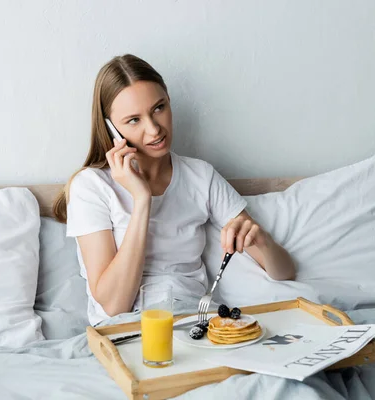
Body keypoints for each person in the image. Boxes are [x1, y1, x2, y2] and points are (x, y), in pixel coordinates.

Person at [52, 54, 295, 326]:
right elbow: (114, 306)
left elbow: (285, 273)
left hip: (196, 323)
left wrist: (261, 241)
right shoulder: (91, 186)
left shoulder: (200, 176)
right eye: (133, 120)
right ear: (111, 129)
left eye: (159, 108)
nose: (154, 129)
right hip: (127, 330)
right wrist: (141, 199)